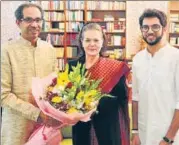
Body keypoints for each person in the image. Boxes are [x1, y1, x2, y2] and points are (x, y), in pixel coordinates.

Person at [1, 3, 61, 145]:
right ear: (18, 22)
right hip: (17, 128)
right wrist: (37, 114)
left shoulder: (49, 49)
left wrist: (59, 111)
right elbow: (3, 95)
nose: (34, 24)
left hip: (46, 128)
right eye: (28, 20)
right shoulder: (6, 51)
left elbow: (55, 85)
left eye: (38, 20)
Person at [68, 23, 130, 145]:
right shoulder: (72, 66)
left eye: (96, 40)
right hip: (81, 130)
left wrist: (95, 103)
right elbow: (67, 97)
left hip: (108, 129)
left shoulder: (115, 68)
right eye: (88, 40)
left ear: (102, 42)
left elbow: (122, 98)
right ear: (81, 41)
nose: (92, 44)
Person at [131, 9, 179, 145]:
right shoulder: (137, 59)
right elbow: (135, 97)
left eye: (155, 26)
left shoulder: (176, 58)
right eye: (145, 27)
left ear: (164, 29)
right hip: (144, 134)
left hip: (170, 136)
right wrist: (135, 132)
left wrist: (168, 138)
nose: (150, 31)